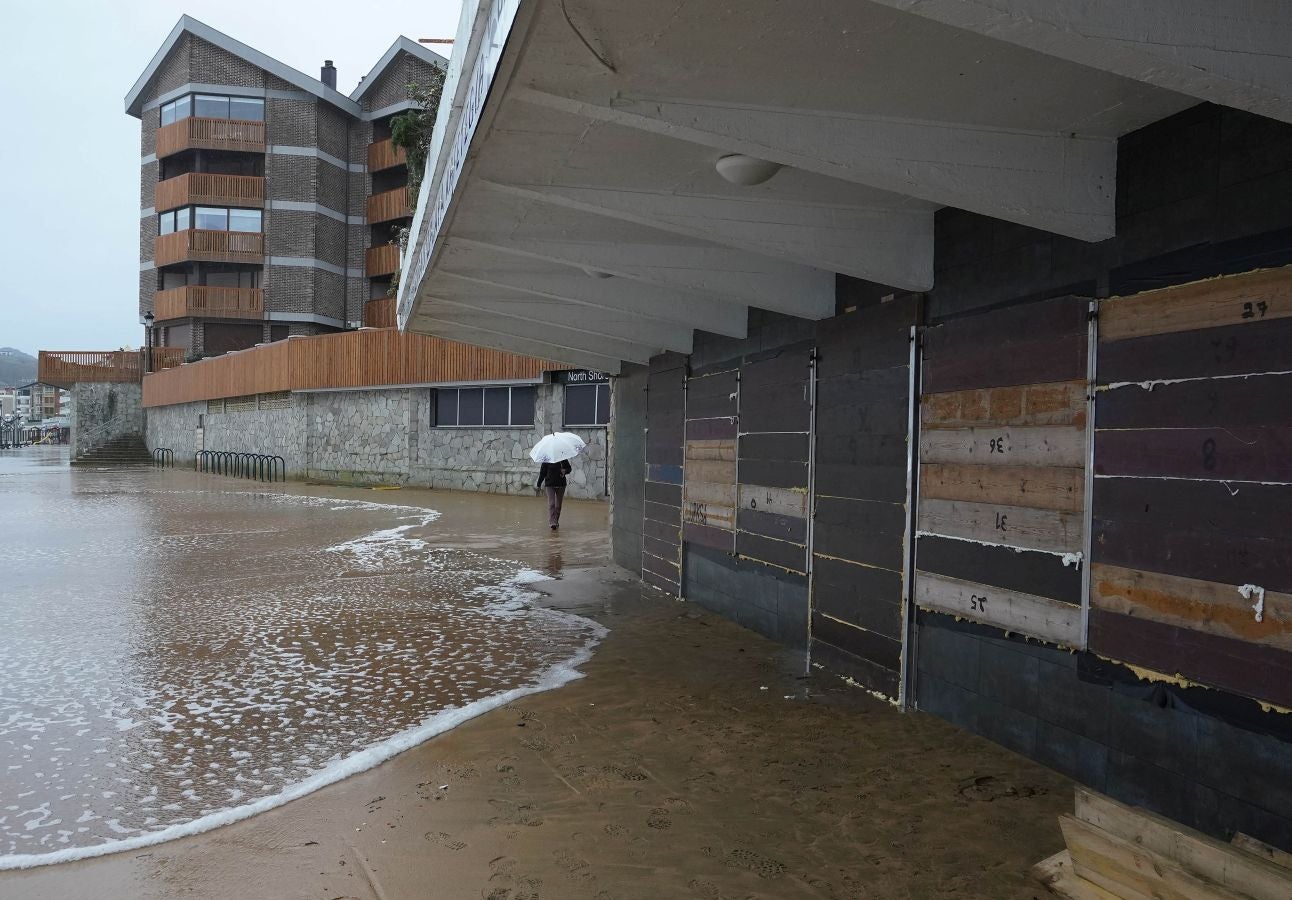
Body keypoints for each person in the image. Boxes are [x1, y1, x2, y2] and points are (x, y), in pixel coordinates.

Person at [536, 458, 572, 530]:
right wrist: (539, 484)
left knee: (558, 505)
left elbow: (569, 469)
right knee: (552, 503)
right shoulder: (546, 460)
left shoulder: (562, 459)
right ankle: (552, 523)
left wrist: (565, 471)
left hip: (561, 485)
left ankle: (555, 521)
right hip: (550, 484)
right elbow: (542, 473)